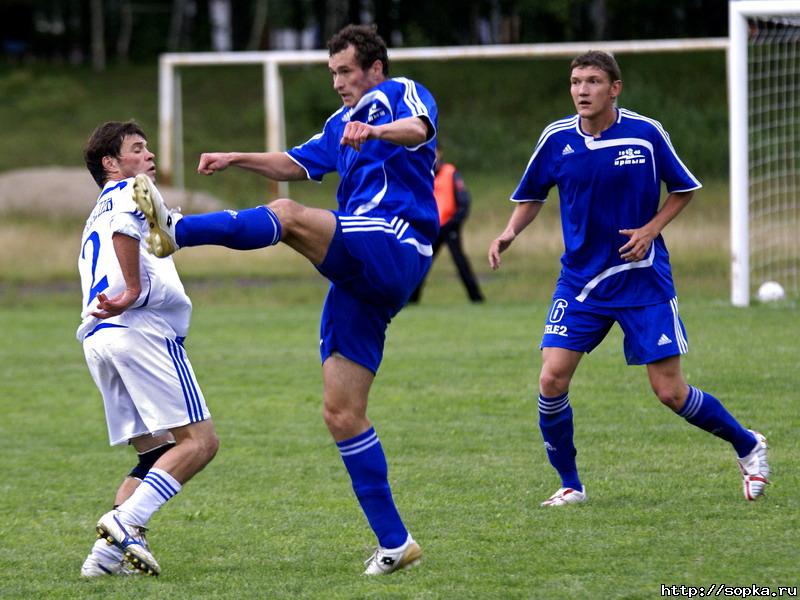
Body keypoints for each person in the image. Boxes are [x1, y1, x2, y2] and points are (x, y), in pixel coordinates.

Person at [132, 24, 436, 574]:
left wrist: (376, 131)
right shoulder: (341, 122)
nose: (340, 83)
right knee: (342, 413)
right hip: (359, 276)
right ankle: (396, 543)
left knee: (289, 215)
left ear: (374, 69)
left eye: (347, 71)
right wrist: (235, 158)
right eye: (334, 74)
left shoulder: (399, 93)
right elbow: (296, 165)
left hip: (394, 240)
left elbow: (418, 129)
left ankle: (176, 231)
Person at [488, 51, 769, 506]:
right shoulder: (557, 138)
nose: (582, 90)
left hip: (642, 281)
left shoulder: (645, 133)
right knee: (552, 379)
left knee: (670, 392)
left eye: (593, 81)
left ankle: (747, 443)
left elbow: (684, 189)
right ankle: (571, 484)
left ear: (614, 88)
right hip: (581, 282)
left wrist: (650, 230)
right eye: (576, 81)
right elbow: (532, 194)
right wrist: (509, 231)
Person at [78, 121, 219, 577]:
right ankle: (125, 521)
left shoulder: (95, 211)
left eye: (147, 148)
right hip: (140, 329)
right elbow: (126, 227)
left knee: (155, 454)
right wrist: (133, 289)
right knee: (200, 443)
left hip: (100, 339)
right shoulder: (127, 193)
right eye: (137, 149)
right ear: (111, 163)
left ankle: (103, 560)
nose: (149, 157)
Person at [409, 146, 484, 303]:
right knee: (423, 262)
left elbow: (464, 200)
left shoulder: (450, 172)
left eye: (435, 151)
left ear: (440, 153)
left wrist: (455, 221)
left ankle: (476, 298)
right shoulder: (423, 174)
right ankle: (412, 299)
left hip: (450, 226)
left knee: (460, 262)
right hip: (432, 227)